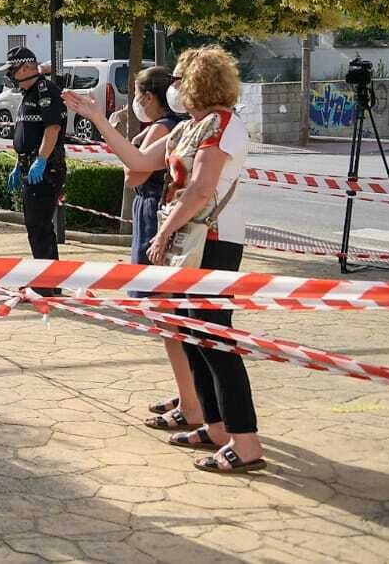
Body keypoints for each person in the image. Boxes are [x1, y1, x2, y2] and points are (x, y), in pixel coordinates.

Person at [65, 46, 263, 475]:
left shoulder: (223, 126)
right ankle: (214, 425)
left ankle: (245, 441)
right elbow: (137, 161)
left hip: (214, 240)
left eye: (178, 79)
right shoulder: (189, 128)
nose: (172, 87)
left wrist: (164, 232)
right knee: (192, 333)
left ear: (196, 82)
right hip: (188, 241)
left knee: (216, 339)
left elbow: (200, 189)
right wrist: (98, 118)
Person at [112, 66, 198, 431]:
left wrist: (128, 146)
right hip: (152, 210)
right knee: (171, 315)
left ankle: (191, 401)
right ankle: (189, 392)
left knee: (167, 316)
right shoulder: (175, 125)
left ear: (148, 97)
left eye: (137, 94)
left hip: (153, 214)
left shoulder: (162, 128)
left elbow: (135, 175)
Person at [0, 46, 65, 273]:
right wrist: (20, 165)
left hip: (46, 169)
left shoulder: (45, 90)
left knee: (40, 227)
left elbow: (52, 128)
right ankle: (46, 279)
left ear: (27, 67)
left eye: (13, 70)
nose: (10, 76)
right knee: (34, 226)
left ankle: (48, 282)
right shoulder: (29, 93)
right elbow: (29, 133)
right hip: (31, 165)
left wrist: (42, 160)